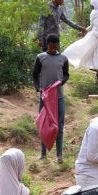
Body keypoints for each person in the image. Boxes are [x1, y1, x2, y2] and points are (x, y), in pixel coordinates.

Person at [32, 34, 69, 163]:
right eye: (51, 46)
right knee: (44, 125)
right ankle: (43, 154)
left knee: (58, 125)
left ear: (58, 45)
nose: (53, 48)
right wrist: (38, 88)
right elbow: (35, 76)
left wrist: (60, 82)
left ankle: (59, 155)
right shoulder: (40, 58)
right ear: (47, 45)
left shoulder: (63, 58)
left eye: (55, 46)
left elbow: (66, 75)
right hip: (45, 98)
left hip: (58, 97)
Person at [62, 0, 98, 79]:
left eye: (92, 5)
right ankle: (97, 72)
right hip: (94, 36)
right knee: (88, 51)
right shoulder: (93, 13)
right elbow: (92, 25)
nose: (91, 6)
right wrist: (84, 31)